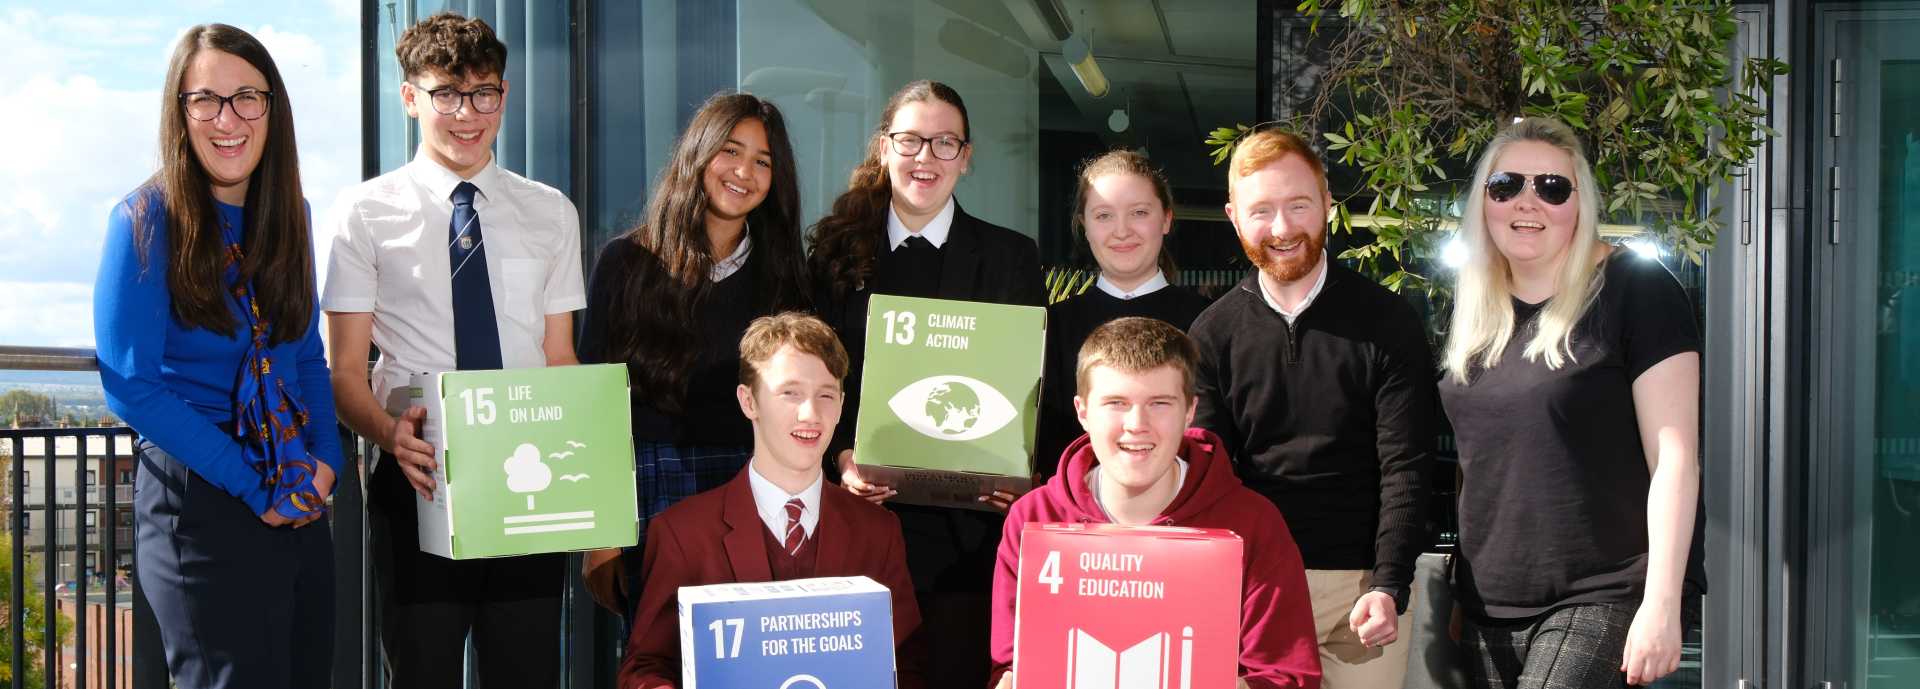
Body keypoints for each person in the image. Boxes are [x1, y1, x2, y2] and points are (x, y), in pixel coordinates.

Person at [322, 12, 585, 687]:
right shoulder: (364, 212)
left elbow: (560, 358)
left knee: (526, 674)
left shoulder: (552, 211)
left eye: (485, 93)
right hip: (418, 477)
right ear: (411, 98)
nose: (468, 114)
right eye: (447, 94)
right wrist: (388, 432)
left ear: (503, 94)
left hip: (530, 482)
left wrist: (590, 478)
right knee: (423, 672)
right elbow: (345, 370)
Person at [95, 23, 337, 688]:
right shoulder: (143, 220)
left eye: (246, 98)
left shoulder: (292, 214)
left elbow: (306, 355)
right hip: (198, 501)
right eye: (205, 99)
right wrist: (255, 484)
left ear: (272, 109)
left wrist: (327, 466)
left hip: (295, 491)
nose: (226, 119)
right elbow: (129, 386)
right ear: (180, 112)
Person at [1437, 117, 1703, 688]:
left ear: (1581, 203)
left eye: (1552, 187)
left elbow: (1675, 461)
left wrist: (1663, 602)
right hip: (1490, 600)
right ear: (1484, 200)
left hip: (1603, 590)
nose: (1527, 202)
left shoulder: (1636, 288)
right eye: (1506, 185)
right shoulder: (1474, 308)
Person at [806, 79, 1044, 689]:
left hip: (970, 541)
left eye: (945, 143)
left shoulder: (1010, 257)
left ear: (966, 157)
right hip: (860, 524)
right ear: (884, 148)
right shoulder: (830, 256)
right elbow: (810, 378)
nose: (926, 158)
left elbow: (1027, 390)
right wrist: (839, 457)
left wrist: (1016, 475)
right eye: (911, 140)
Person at [1188, 128, 1436, 688]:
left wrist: (1389, 583)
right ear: (1233, 216)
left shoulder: (1388, 323)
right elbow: (1208, 476)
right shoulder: (1212, 335)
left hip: (1364, 595)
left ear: (1327, 203)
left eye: (1298, 205)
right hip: (1254, 591)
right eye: (1261, 211)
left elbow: (1407, 466)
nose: (1281, 229)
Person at [989, 317, 1322, 689]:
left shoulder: (1251, 523)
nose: (1137, 424)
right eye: (1116, 402)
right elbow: (1009, 661)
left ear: (1190, 411)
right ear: (1083, 411)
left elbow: (1288, 675)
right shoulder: (1034, 518)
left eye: (1160, 403)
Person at [576, 92, 811, 617]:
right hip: (652, 490)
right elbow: (593, 406)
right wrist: (602, 534)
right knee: (657, 658)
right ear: (698, 154)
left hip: (756, 488)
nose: (743, 171)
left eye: (763, 161)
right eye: (731, 151)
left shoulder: (789, 277)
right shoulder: (626, 262)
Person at [618, 312, 924, 689]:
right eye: (790, 393)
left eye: (826, 395)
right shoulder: (683, 534)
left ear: (843, 405)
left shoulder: (878, 531)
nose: (810, 413)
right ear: (749, 401)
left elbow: (907, 665)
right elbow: (645, 668)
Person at [1035, 150, 1212, 474]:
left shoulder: (1208, 323)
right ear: (1084, 226)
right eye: (1103, 215)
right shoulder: (1049, 327)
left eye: (1139, 212)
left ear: (1167, 219)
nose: (1122, 231)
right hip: (1072, 516)